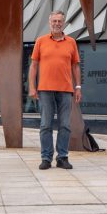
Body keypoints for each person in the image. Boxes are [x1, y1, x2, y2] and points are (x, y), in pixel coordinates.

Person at [28, 10, 82, 170]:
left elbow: (75, 66)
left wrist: (78, 87)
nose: (57, 24)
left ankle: (62, 158)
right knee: (45, 125)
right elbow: (34, 65)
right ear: (49, 22)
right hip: (45, 90)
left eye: (60, 21)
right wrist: (32, 87)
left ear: (63, 23)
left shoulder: (71, 42)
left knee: (65, 125)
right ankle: (46, 158)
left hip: (66, 90)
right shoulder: (41, 41)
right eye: (54, 21)